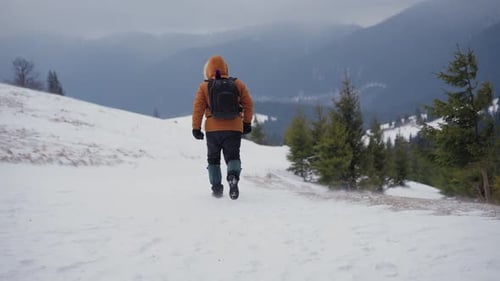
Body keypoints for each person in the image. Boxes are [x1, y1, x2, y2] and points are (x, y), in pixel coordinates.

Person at [192, 55, 254, 199]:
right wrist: (247, 123)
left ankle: (217, 189)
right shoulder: (237, 84)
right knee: (233, 156)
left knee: (213, 159)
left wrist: (196, 128)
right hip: (234, 127)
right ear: (225, 68)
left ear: (208, 70)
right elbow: (248, 104)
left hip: (212, 130)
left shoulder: (204, 86)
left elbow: (198, 108)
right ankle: (232, 176)